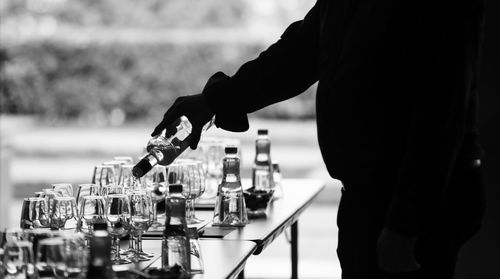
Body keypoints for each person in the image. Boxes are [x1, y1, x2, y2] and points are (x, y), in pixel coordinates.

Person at [150, 0, 486, 278]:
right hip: (372, 200)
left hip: (406, 205)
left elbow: (441, 114)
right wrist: (213, 102)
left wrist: (404, 224)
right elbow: (297, 55)